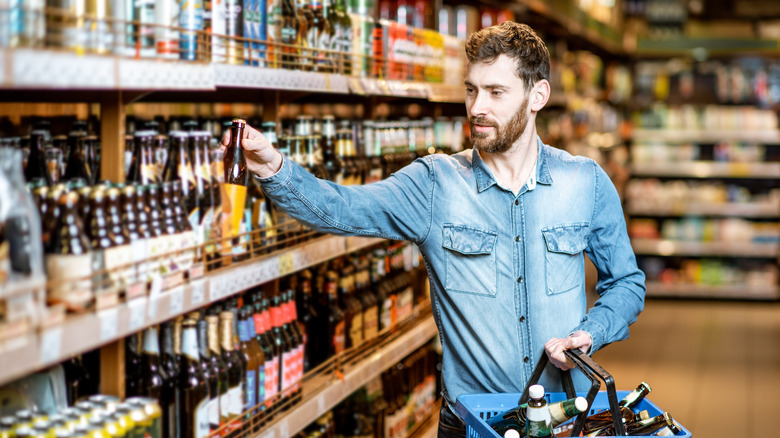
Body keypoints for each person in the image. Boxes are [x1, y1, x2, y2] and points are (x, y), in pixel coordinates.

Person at [223, 21, 645, 437]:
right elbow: (342, 208)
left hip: (564, 419)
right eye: (471, 89)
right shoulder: (434, 184)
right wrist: (274, 168)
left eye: (496, 92)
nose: (478, 107)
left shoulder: (584, 181)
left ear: (538, 95)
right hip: (472, 423)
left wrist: (589, 334)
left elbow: (626, 283)